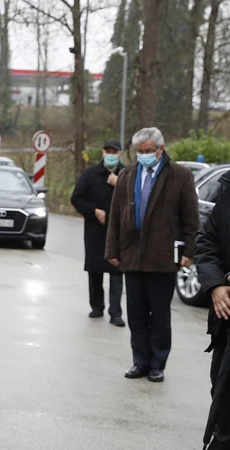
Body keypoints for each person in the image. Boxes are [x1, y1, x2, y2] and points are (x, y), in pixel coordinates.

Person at [105, 127, 199, 383]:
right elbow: (115, 216)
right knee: (135, 314)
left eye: (148, 151)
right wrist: (112, 250)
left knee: (159, 314)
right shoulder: (127, 174)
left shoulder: (180, 175)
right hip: (132, 255)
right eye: (140, 151)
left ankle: (158, 363)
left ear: (160, 149)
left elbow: (191, 219)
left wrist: (189, 252)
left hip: (163, 256)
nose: (144, 155)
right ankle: (140, 360)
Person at [70, 140, 126, 327]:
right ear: (103, 153)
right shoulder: (91, 174)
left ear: (120, 153)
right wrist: (93, 211)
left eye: (114, 151)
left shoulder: (127, 175)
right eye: (108, 151)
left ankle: (115, 312)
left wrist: (119, 183)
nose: (111, 154)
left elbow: (137, 197)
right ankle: (96, 306)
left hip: (119, 231)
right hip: (95, 230)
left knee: (117, 272)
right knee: (95, 270)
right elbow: (76, 198)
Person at [196, 170, 230, 450]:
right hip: (226, 317)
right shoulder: (227, 187)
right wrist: (215, 284)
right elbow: (206, 242)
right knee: (219, 386)